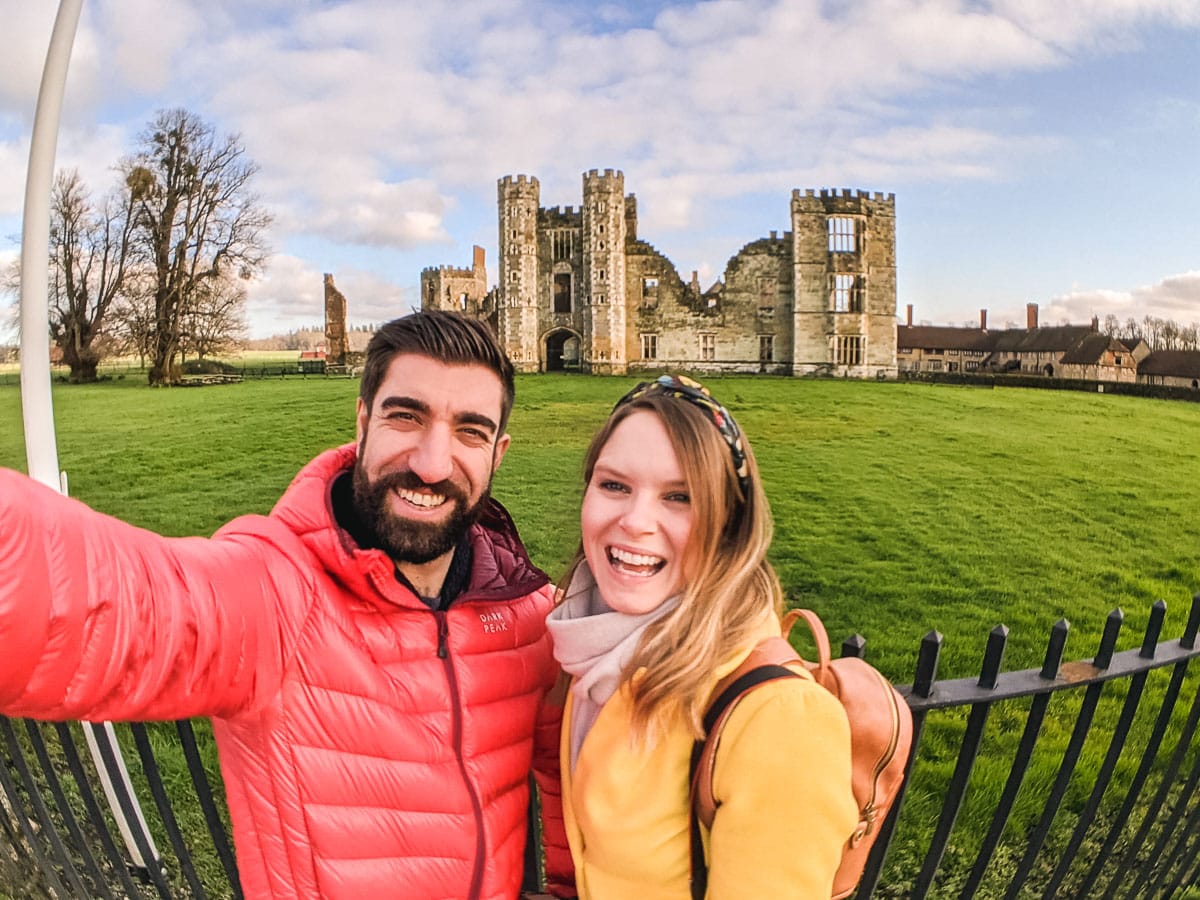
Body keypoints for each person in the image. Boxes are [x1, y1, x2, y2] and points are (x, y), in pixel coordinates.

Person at [0, 310, 573, 900]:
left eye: (469, 432)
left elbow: (576, 774)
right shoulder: (277, 596)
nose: (431, 463)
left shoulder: (530, 620)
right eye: (406, 416)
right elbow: (116, 597)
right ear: (362, 421)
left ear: (497, 453)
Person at [546, 375, 857, 898]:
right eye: (614, 485)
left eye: (680, 496)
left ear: (730, 525)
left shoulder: (778, 720)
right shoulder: (591, 647)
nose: (636, 521)